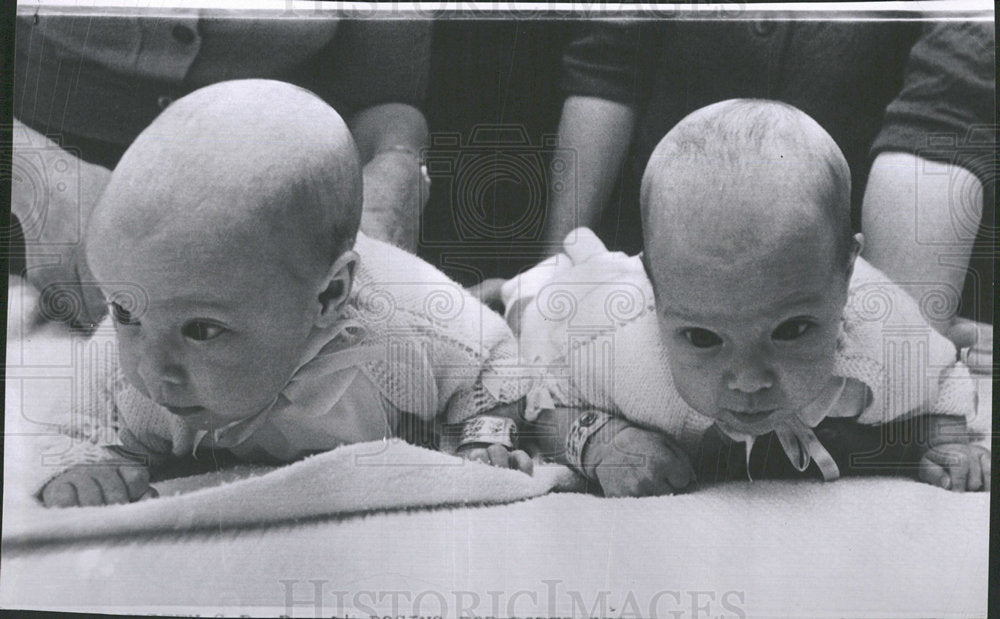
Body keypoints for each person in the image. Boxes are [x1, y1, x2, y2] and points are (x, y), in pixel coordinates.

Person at [39, 81, 531, 508]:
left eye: (202, 330)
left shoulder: (406, 321)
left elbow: (492, 353)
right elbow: (75, 427)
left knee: (406, 254)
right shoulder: (134, 351)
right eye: (125, 312)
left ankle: (394, 193)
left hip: (376, 275)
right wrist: (85, 465)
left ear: (328, 296)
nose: (150, 369)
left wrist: (485, 431)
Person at [508, 100, 988, 496]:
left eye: (791, 329)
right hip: (574, 297)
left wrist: (948, 443)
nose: (749, 380)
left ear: (845, 279)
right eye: (702, 338)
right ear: (655, 289)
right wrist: (602, 441)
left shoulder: (879, 335)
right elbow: (535, 399)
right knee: (532, 298)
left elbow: (942, 381)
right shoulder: (618, 347)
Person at [542, 19, 994, 373]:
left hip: (836, 287)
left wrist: (903, 342)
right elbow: (607, 66)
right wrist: (549, 277)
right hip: (657, 270)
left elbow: (947, 102)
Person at [11, 10, 431, 327]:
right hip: (34, 220)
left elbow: (382, 100)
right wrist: (38, 180)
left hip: (277, 217)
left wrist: (392, 167)